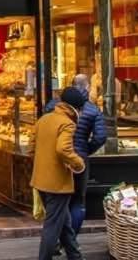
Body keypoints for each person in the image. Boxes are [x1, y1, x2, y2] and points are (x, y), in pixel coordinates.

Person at [46, 74, 107, 238]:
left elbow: (45, 126)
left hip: (56, 159)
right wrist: (86, 149)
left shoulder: (54, 105)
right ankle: (71, 239)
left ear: (71, 85)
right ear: (87, 88)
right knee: (78, 201)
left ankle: (59, 239)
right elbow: (100, 137)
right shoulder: (93, 109)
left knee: (58, 201)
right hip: (79, 160)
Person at [32, 87, 87, 260]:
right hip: (57, 184)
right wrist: (79, 164)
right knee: (53, 226)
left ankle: (75, 255)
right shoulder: (67, 123)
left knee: (64, 222)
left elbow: (32, 146)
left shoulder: (44, 119)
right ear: (75, 108)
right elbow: (63, 149)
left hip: (40, 180)